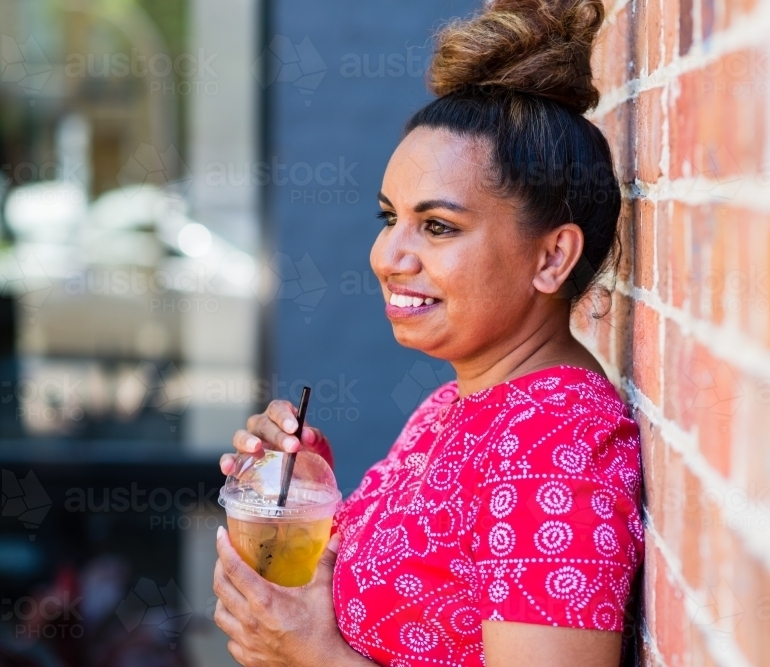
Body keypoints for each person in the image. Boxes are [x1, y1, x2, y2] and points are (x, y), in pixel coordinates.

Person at [211, 1, 644, 665]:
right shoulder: (457, 406)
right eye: (391, 218)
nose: (389, 256)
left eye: (437, 226)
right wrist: (305, 480)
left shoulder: (554, 447)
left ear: (552, 257)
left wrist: (316, 657)